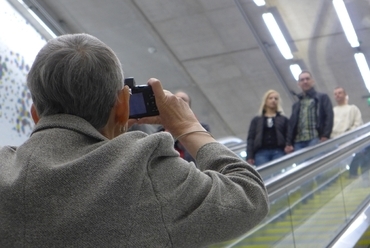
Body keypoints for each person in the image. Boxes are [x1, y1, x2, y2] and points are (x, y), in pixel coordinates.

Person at [0, 33, 269, 247]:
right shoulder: (143, 169)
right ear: (123, 107)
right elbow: (248, 197)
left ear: (36, 114)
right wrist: (187, 125)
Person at [285, 71, 334, 153]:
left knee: (316, 164)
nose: (305, 81)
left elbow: (329, 116)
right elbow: (291, 125)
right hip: (298, 142)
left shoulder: (322, 97)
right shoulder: (296, 105)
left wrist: (326, 135)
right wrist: (288, 143)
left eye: (307, 79)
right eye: (302, 80)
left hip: (315, 138)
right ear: (298, 84)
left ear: (312, 81)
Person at [158, 90, 210, 163]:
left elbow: (202, 152)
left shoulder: (202, 128)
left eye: (183, 99)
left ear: (189, 107)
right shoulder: (161, 131)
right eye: (175, 99)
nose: (178, 101)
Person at [246, 90, 289, 166]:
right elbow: (251, 138)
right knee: (264, 175)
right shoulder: (257, 120)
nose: (273, 100)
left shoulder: (283, 119)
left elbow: (288, 135)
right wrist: (250, 156)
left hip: (278, 151)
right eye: (270, 98)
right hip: (261, 152)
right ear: (265, 101)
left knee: (279, 174)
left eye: (276, 99)